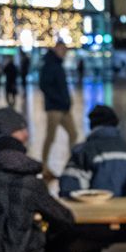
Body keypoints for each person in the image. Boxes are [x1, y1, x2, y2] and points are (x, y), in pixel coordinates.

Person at [52, 105, 126, 252]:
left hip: (98, 228)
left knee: (53, 247)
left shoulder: (84, 151)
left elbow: (68, 192)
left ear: (92, 126)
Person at [39, 41, 79, 177]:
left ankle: (73, 163)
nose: (65, 52)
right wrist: (59, 99)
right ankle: (44, 166)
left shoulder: (57, 64)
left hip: (64, 107)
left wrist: (67, 101)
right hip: (54, 108)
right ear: (56, 49)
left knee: (73, 133)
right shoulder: (50, 64)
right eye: (62, 50)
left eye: (66, 50)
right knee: (51, 137)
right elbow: (44, 85)